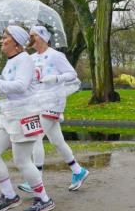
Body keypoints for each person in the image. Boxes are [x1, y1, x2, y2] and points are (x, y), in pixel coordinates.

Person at [0, 25, 54, 211]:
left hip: (24, 116)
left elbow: (20, 87)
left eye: (5, 37)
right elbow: (7, 89)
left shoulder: (25, 60)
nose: (1, 41)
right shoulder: (12, 61)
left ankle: (44, 199)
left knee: (21, 160)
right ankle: (9, 195)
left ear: (17, 43)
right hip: (7, 116)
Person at [18, 26, 89, 193]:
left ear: (42, 37)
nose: (30, 39)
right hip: (36, 103)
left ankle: (36, 181)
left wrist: (56, 78)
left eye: (33, 35)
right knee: (57, 141)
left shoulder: (56, 56)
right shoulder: (31, 58)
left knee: (35, 137)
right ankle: (78, 171)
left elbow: (72, 74)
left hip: (53, 102)